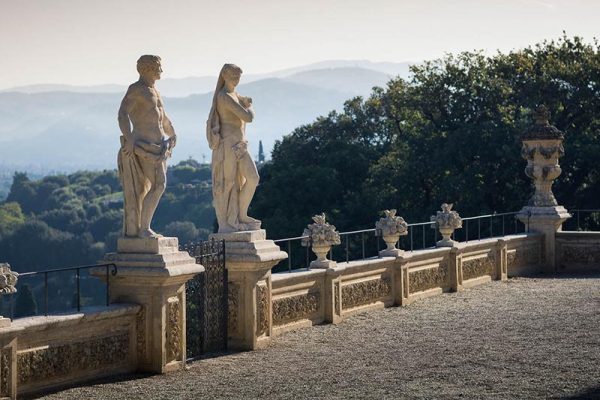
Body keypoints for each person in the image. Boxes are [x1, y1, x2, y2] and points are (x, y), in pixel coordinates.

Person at [118, 55, 176, 238]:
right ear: (148, 68)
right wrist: (129, 139)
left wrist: (173, 134)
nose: (161, 70)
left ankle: (144, 228)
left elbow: (163, 118)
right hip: (144, 147)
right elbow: (122, 114)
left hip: (160, 147)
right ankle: (143, 229)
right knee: (158, 185)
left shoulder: (155, 92)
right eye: (158, 67)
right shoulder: (136, 89)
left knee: (155, 186)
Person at [206, 64, 260, 233]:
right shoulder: (224, 97)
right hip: (228, 146)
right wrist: (248, 105)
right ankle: (229, 221)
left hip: (240, 144)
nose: (236, 80)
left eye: (238, 76)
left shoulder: (234, 95)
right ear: (224, 75)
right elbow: (248, 117)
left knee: (253, 178)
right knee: (228, 184)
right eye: (233, 76)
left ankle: (241, 215)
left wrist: (242, 101)